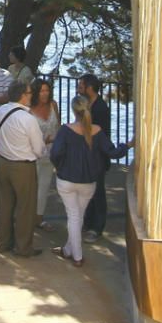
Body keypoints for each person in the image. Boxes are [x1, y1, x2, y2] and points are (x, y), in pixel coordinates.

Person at [50, 95, 131, 267]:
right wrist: (128, 146)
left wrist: (60, 167)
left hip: (67, 180)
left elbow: (55, 154)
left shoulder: (65, 130)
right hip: (88, 182)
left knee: (73, 217)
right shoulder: (98, 131)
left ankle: (77, 256)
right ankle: (68, 249)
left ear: (73, 110)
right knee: (77, 216)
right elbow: (113, 153)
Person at [0, 80, 46, 257]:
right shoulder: (28, 119)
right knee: (26, 207)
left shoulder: (1, 111)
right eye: (30, 93)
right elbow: (39, 149)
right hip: (23, 166)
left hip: (3, 162)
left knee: (6, 205)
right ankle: (23, 247)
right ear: (23, 95)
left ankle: (4, 242)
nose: (32, 96)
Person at [78, 73, 111, 243]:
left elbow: (100, 134)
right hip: (87, 155)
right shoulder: (86, 105)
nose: (78, 88)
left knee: (98, 193)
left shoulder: (100, 108)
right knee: (87, 191)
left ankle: (97, 227)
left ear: (90, 88)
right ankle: (88, 222)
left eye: (81, 86)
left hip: (97, 156)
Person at [28, 78, 60, 231]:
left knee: (44, 187)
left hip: (50, 153)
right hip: (33, 154)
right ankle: (26, 217)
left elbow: (58, 127)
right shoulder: (28, 109)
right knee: (30, 188)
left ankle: (39, 218)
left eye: (47, 90)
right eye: (41, 91)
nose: (45, 94)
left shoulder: (53, 105)